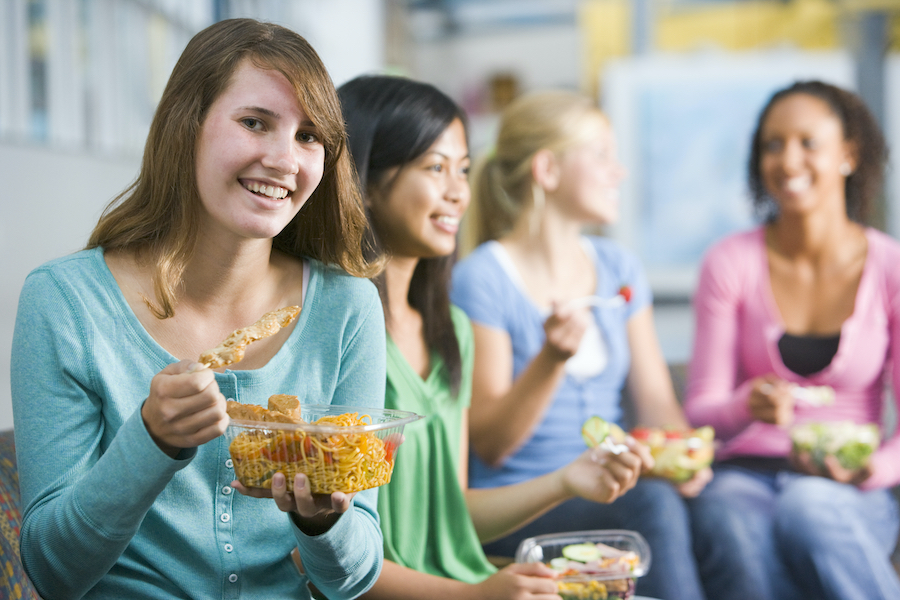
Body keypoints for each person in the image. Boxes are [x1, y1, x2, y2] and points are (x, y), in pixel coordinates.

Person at [10, 19, 387, 599]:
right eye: (254, 122)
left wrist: (322, 519)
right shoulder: (64, 301)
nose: (285, 159)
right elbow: (54, 572)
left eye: (309, 136)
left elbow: (354, 580)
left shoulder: (348, 307)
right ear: (186, 126)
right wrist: (151, 440)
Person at [337, 75, 647, 599]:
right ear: (364, 181)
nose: (458, 192)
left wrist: (568, 480)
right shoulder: (334, 321)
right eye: (435, 169)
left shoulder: (446, 329)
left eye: (462, 169)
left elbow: (450, 517)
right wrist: (474, 597)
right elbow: (316, 548)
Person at [450, 90, 710, 600]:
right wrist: (551, 360)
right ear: (547, 169)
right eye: (601, 155)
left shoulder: (619, 270)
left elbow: (657, 406)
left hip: (614, 490)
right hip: (527, 504)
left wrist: (689, 457)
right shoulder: (482, 279)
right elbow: (492, 444)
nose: (620, 171)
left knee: (723, 508)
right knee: (652, 506)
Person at [685, 79, 900, 600]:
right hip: (746, 473)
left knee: (809, 506)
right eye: (773, 144)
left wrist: (872, 468)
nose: (787, 160)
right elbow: (700, 410)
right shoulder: (729, 261)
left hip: (847, 487)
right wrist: (745, 405)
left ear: (848, 154)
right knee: (731, 519)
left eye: (808, 142)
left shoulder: (890, 268)